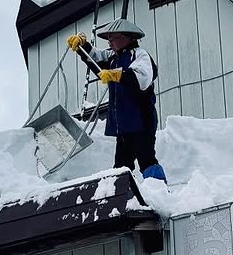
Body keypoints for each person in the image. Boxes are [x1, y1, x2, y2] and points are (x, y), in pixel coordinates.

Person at [66, 19, 167, 181]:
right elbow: (95, 57)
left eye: (112, 38)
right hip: (124, 123)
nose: (110, 42)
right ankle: (122, 197)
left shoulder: (140, 55)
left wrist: (116, 74)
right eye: (109, 39)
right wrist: (81, 47)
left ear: (126, 37)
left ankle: (160, 192)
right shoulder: (113, 57)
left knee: (146, 158)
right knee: (121, 165)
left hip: (141, 119)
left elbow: (141, 78)